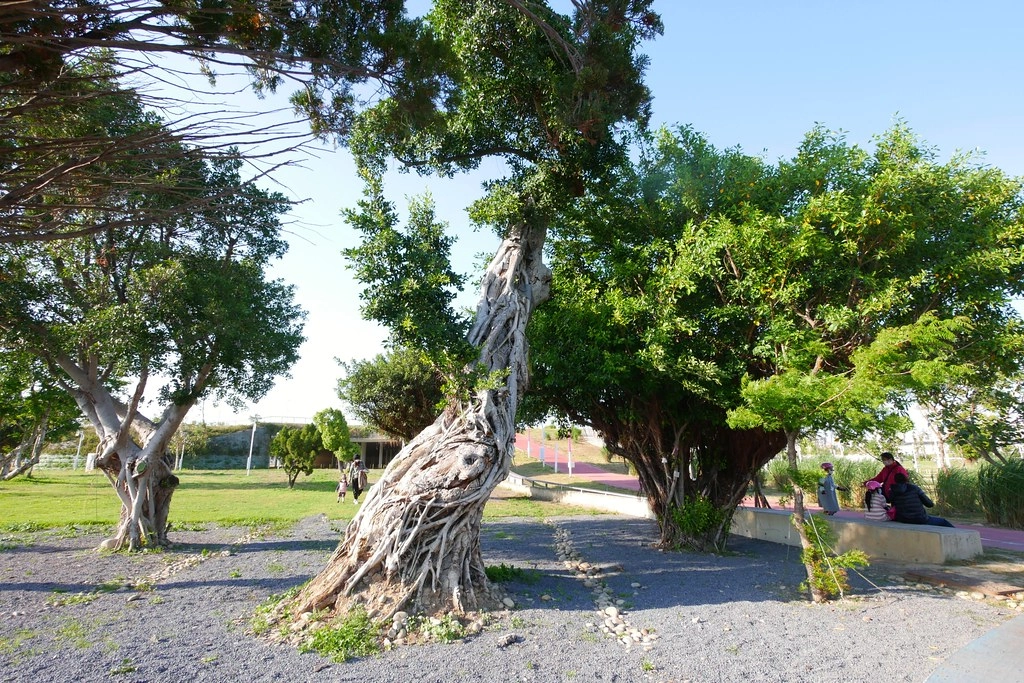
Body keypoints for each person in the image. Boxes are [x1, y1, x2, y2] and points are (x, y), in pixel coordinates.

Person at [887, 472, 955, 527]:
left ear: (895, 480)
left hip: (903, 518)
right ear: (906, 479)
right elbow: (929, 504)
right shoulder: (914, 488)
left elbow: (893, 504)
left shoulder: (892, 491)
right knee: (943, 522)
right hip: (919, 518)